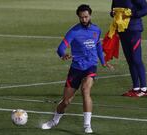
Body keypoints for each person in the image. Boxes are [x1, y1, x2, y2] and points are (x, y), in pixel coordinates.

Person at [41, 4, 106, 133]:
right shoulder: (74, 31)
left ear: (90, 15)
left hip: (91, 66)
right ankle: (54, 120)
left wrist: (103, 62)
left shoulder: (96, 30)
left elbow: (98, 46)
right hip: (76, 68)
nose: (84, 20)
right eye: (81, 17)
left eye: (86, 17)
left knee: (85, 90)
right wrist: (63, 54)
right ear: (78, 17)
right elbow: (60, 48)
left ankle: (87, 125)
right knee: (66, 101)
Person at [109, 0, 147, 97]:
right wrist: (113, 13)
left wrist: (132, 14)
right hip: (122, 30)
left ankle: (144, 89)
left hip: (134, 30)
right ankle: (136, 88)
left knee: (136, 59)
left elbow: (146, 9)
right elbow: (112, 11)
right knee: (130, 60)